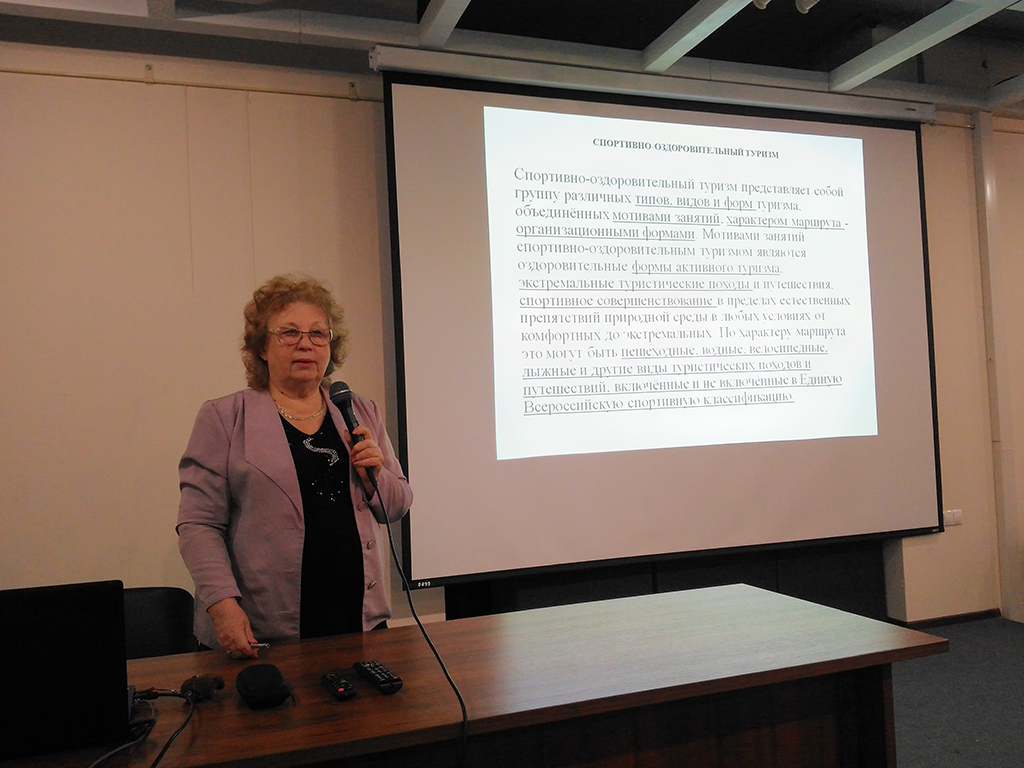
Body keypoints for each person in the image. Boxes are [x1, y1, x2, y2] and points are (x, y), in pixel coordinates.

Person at [176, 274, 412, 658]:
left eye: (318, 333)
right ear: (262, 347)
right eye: (289, 332)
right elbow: (198, 525)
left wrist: (375, 478)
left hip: (357, 622)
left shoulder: (357, 409)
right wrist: (221, 604)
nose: (305, 343)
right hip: (263, 629)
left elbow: (398, 503)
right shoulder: (225, 417)